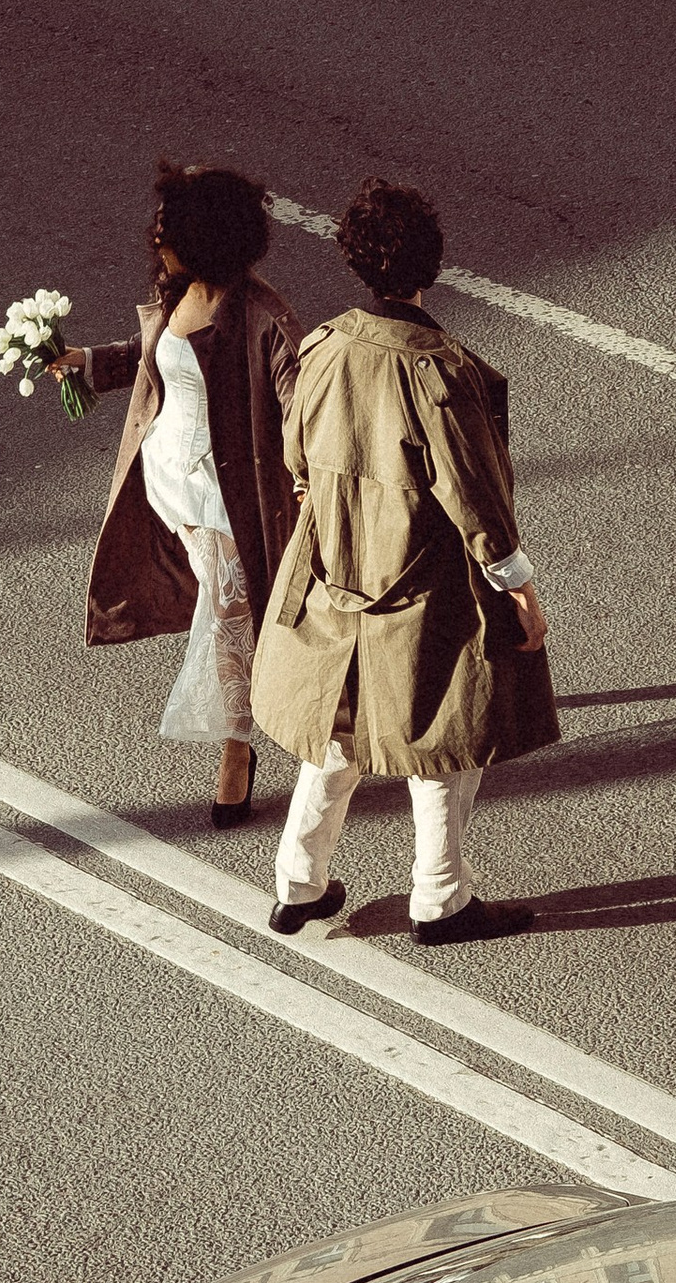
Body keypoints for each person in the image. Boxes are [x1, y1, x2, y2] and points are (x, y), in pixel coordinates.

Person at [252, 177, 554, 947]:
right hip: (420, 578)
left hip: (331, 566)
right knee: (441, 734)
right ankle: (441, 897)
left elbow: (295, 457)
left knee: (338, 727)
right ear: (433, 263)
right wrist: (518, 587)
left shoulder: (323, 346)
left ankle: (298, 884)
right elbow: (475, 496)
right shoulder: (436, 368)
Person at [54, 164, 300, 826]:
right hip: (169, 479)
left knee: (227, 615)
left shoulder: (264, 320)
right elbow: (152, 354)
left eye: (168, 231)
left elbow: (299, 405)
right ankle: (270, 712)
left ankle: (236, 751)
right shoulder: (180, 291)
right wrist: (84, 361)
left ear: (208, 237)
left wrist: (311, 471)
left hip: (230, 497)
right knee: (230, 611)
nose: (155, 241)